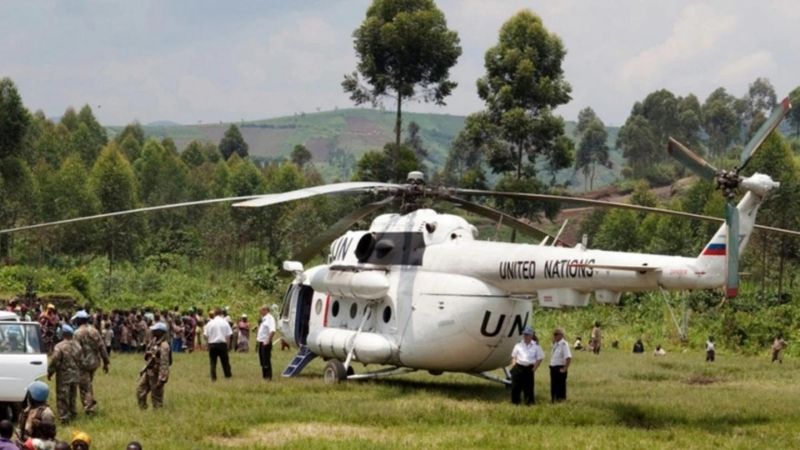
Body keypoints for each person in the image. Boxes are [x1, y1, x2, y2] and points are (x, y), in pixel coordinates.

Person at [72, 310, 109, 415]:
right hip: (94, 363)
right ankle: (91, 402)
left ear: (78, 320)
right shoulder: (94, 331)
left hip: (83, 364)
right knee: (88, 384)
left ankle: (89, 409)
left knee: (85, 388)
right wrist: (106, 362)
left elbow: (75, 350)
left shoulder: (77, 333)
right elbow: (102, 347)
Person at [47, 324, 81, 423]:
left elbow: (54, 360)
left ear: (63, 333)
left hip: (64, 375)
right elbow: (80, 359)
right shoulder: (78, 345)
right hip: (75, 375)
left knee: (62, 396)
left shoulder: (59, 346)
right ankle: (73, 413)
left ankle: (64, 417)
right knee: (72, 395)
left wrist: (50, 372)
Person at [137, 322, 171, 410]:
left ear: (160, 332)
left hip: (156, 373)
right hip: (148, 371)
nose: (152, 331)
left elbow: (165, 363)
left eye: (155, 330)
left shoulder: (164, 346)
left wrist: (162, 379)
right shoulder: (154, 342)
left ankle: (158, 416)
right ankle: (143, 411)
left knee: (156, 397)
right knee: (140, 391)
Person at [509, 326, 544, 405]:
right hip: (519, 366)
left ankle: (529, 403)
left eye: (527, 334)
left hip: (529, 368)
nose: (525, 336)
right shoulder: (518, 345)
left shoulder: (536, 346)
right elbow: (513, 356)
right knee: (516, 386)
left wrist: (534, 368)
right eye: (524, 334)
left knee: (528, 387)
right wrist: (514, 366)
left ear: (531, 335)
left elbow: (540, 358)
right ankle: (515, 402)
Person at [204, 309, 233, 380]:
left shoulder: (210, 323)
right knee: (225, 362)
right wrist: (228, 346)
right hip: (222, 344)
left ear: (214, 314)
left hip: (212, 344)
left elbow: (205, 335)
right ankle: (228, 376)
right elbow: (228, 336)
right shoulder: (225, 322)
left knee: (213, 362)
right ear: (221, 314)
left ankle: (213, 378)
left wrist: (208, 343)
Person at [549, 328, 572, 402]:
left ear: (561, 335)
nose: (554, 336)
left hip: (560, 367)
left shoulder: (564, 344)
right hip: (553, 368)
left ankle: (560, 400)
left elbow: (568, 357)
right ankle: (553, 399)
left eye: (556, 334)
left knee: (560, 386)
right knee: (553, 385)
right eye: (554, 334)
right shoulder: (555, 344)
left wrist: (565, 368)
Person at [256, 305, 276, 380]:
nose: (260, 312)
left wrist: (268, 340)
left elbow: (272, 330)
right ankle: (264, 376)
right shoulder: (263, 319)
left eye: (261, 310)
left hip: (265, 342)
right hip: (261, 341)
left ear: (265, 310)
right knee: (262, 360)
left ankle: (268, 376)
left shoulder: (270, 319)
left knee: (266, 360)